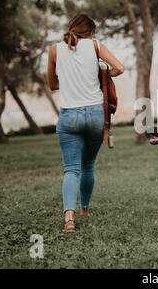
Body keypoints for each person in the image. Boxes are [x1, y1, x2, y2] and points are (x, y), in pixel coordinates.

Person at [47, 14, 124, 233]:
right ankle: (85, 209)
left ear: (71, 28)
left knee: (71, 169)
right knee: (88, 165)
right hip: (95, 115)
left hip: (69, 115)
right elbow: (119, 68)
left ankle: (69, 219)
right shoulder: (96, 46)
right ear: (90, 32)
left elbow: (52, 84)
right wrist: (101, 75)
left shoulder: (54, 50)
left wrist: (71, 79)